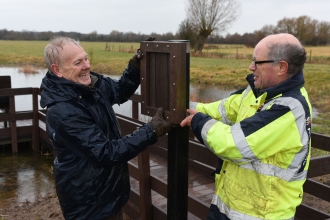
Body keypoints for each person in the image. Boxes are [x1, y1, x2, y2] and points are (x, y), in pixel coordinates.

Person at [180, 33, 312, 220]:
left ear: (281, 67)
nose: (251, 67)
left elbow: (234, 144)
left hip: (261, 215)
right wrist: (184, 108)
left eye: (257, 62)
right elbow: (222, 110)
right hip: (227, 205)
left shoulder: (289, 110)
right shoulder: (257, 93)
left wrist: (198, 121)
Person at [40, 36, 172, 220]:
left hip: (108, 192)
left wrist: (135, 66)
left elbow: (119, 91)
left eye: (85, 58)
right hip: (89, 204)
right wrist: (151, 130)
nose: (86, 66)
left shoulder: (89, 85)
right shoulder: (63, 111)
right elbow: (106, 152)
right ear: (57, 70)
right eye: (78, 62)